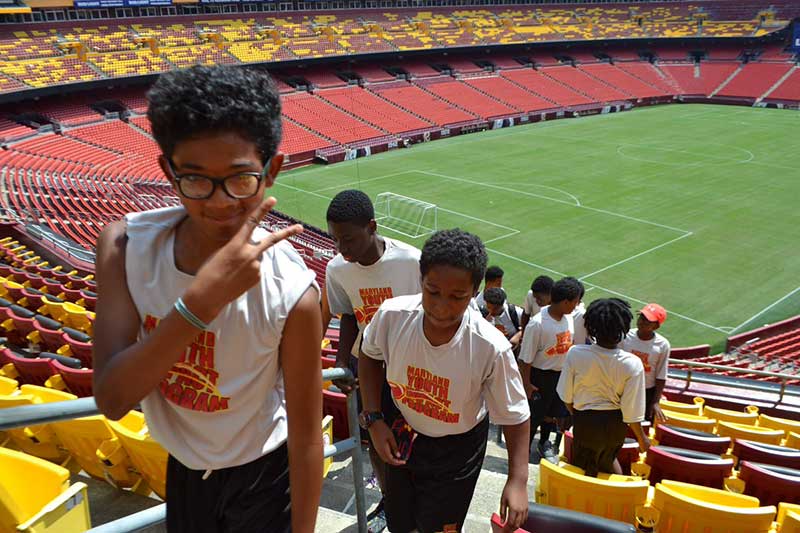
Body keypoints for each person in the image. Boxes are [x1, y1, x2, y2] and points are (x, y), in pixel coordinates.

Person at [92, 65, 323, 533]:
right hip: (183, 468)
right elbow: (113, 398)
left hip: (264, 474)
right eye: (195, 180)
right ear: (167, 171)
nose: (219, 202)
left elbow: (304, 435)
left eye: (240, 179)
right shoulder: (124, 248)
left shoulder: (293, 292)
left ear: (272, 170)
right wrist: (198, 305)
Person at [359, 229, 530, 533]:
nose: (441, 306)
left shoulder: (489, 346)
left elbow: (516, 414)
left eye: (457, 297)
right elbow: (369, 355)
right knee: (401, 522)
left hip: (457, 451)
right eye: (433, 291)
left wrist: (517, 480)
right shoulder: (392, 316)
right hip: (405, 432)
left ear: (475, 291)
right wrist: (374, 417)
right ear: (420, 280)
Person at [324, 189, 422, 528]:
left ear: (372, 226)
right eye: (336, 240)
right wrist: (341, 360)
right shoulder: (337, 269)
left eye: (348, 239)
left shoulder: (410, 261)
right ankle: (389, 501)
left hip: (413, 367)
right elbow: (348, 315)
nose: (342, 248)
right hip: (370, 368)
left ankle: (417, 502)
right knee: (377, 439)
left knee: (417, 440)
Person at [557, 298, 650, 477]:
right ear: (622, 329)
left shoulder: (575, 353)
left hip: (586, 421)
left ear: (591, 327)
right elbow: (632, 412)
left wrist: (578, 415)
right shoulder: (632, 363)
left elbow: (566, 397)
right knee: (607, 462)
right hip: (616, 424)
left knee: (583, 466)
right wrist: (642, 438)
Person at [518, 276, 582, 461]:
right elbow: (525, 359)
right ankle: (522, 454)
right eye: (575, 302)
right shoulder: (538, 323)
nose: (576, 306)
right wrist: (527, 384)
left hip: (559, 375)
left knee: (552, 415)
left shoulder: (568, 319)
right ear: (565, 301)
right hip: (539, 377)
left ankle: (544, 444)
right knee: (533, 417)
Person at [621, 303, 670, 423]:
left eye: (648, 320)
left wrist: (655, 402)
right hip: (623, 387)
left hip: (646, 392)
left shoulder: (663, 345)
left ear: (656, 326)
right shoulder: (626, 336)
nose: (642, 321)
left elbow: (661, 375)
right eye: (641, 317)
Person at [481, 287, 524, 353]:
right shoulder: (482, 315)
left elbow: (529, 326)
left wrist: (518, 336)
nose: (491, 311)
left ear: (502, 305)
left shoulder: (514, 312)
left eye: (495, 309)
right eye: (489, 307)